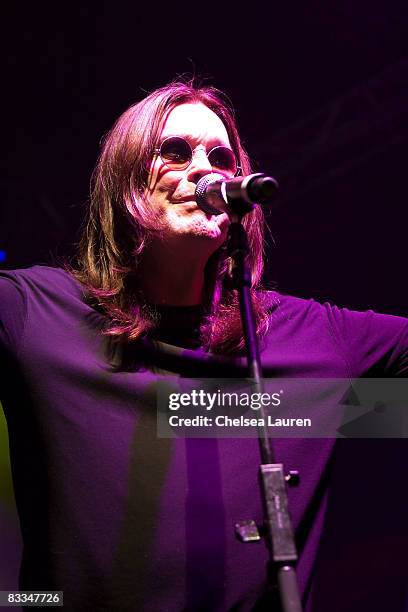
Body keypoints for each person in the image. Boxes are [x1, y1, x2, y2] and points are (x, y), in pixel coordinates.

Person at [0, 80, 407, 612]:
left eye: (221, 156)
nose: (205, 169)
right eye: (174, 151)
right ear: (124, 178)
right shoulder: (37, 315)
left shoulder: (310, 340)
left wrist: (353, 416)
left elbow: (386, 415)